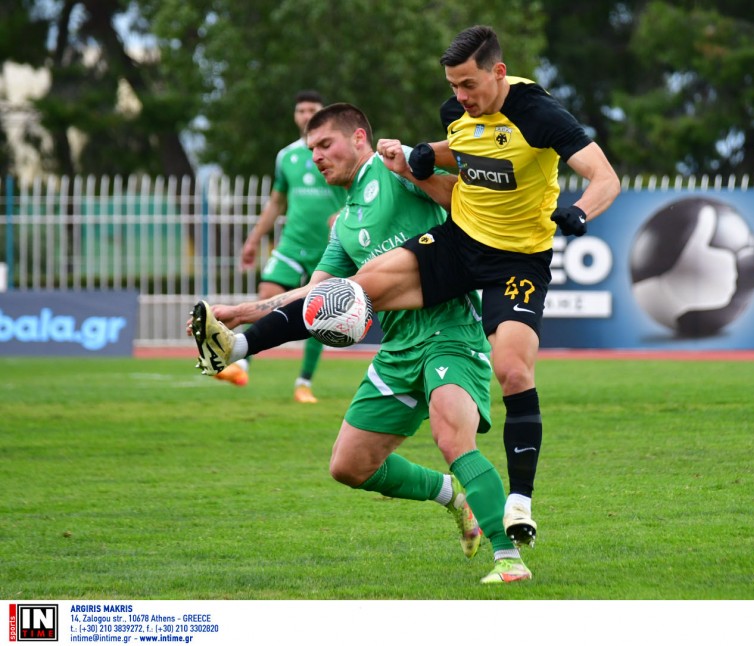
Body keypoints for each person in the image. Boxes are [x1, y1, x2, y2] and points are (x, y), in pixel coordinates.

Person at [194, 25, 621, 549]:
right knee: (349, 430)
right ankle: (237, 349)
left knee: (489, 395)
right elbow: (325, 292)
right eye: (453, 86)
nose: (460, 97)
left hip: (484, 294)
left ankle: (514, 524)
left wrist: (579, 211)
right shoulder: (362, 206)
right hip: (430, 293)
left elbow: (587, 179)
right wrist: (243, 313)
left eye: (468, 84)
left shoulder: (523, 120)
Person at [191, 103, 531, 583]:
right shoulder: (345, 224)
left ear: (358, 139)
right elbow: (314, 297)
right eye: (311, 149)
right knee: (349, 466)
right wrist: (239, 319)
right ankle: (453, 497)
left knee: (452, 437)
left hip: (450, 329)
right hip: (398, 346)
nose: (316, 157)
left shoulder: (394, 168)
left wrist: (414, 166)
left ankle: (509, 559)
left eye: (325, 144)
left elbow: (468, 200)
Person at [216, 90, 345, 404]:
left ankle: (304, 383)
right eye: (301, 110)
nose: (306, 115)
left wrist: (343, 216)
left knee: (321, 312)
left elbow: (356, 193)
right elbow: (276, 202)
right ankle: (242, 364)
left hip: (330, 247)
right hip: (292, 243)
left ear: (323, 113)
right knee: (266, 294)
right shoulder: (286, 156)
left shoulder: (340, 152)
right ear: (295, 115)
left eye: (312, 110)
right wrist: (253, 240)